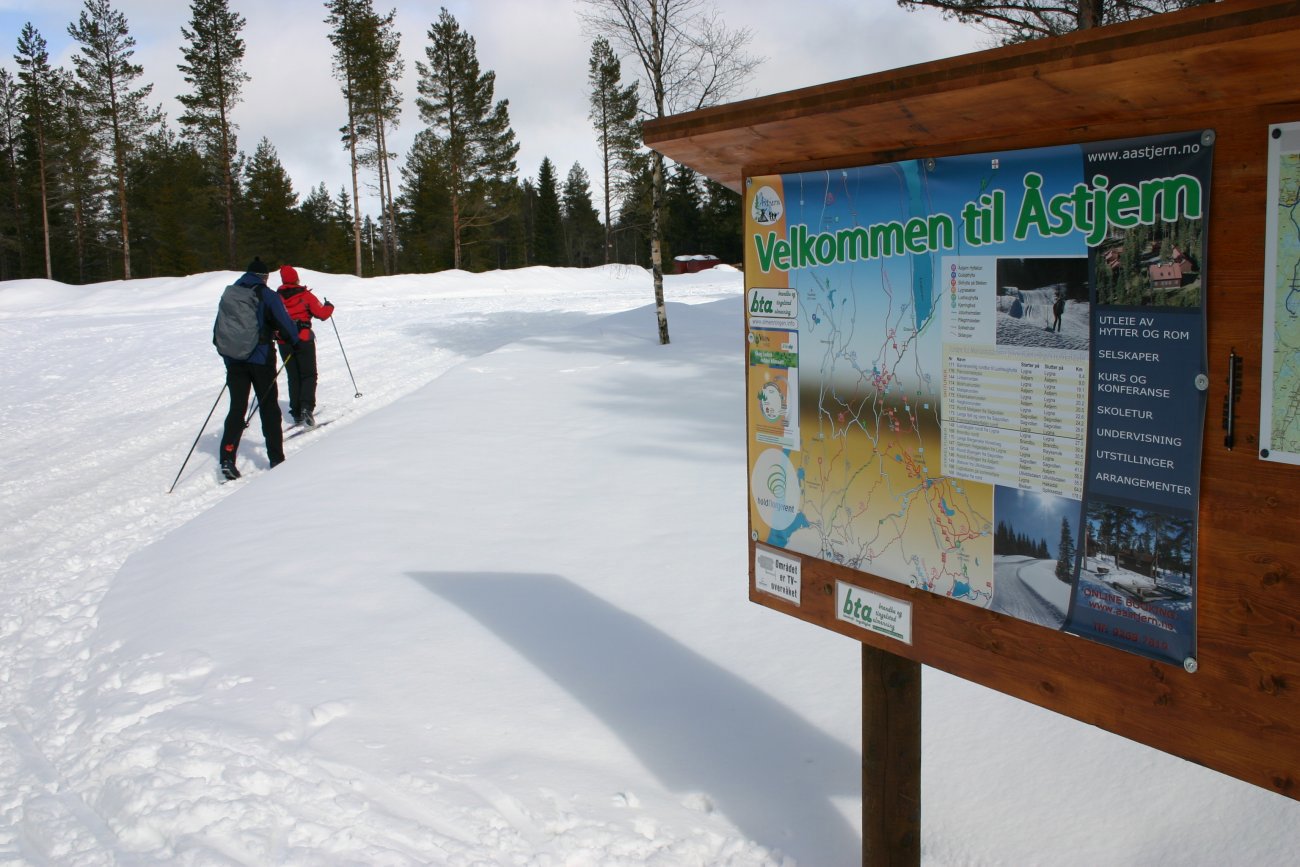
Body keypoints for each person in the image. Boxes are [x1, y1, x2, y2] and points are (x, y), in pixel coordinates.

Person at [214, 257, 303, 481]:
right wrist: (295, 337)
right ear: (263, 277)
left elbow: (220, 328)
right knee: (268, 407)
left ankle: (227, 457)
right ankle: (276, 458)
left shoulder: (231, 293)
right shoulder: (266, 294)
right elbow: (285, 324)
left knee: (237, 407)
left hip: (234, 359)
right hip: (260, 358)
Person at [273, 265, 335, 427]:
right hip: (303, 339)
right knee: (308, 375)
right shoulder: (305, 295)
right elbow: (322, 314)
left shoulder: (275, 297)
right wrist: (329, 306)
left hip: (283, 341)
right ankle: (306, 408)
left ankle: (296, 412)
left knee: (293, 376)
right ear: (296, 278)